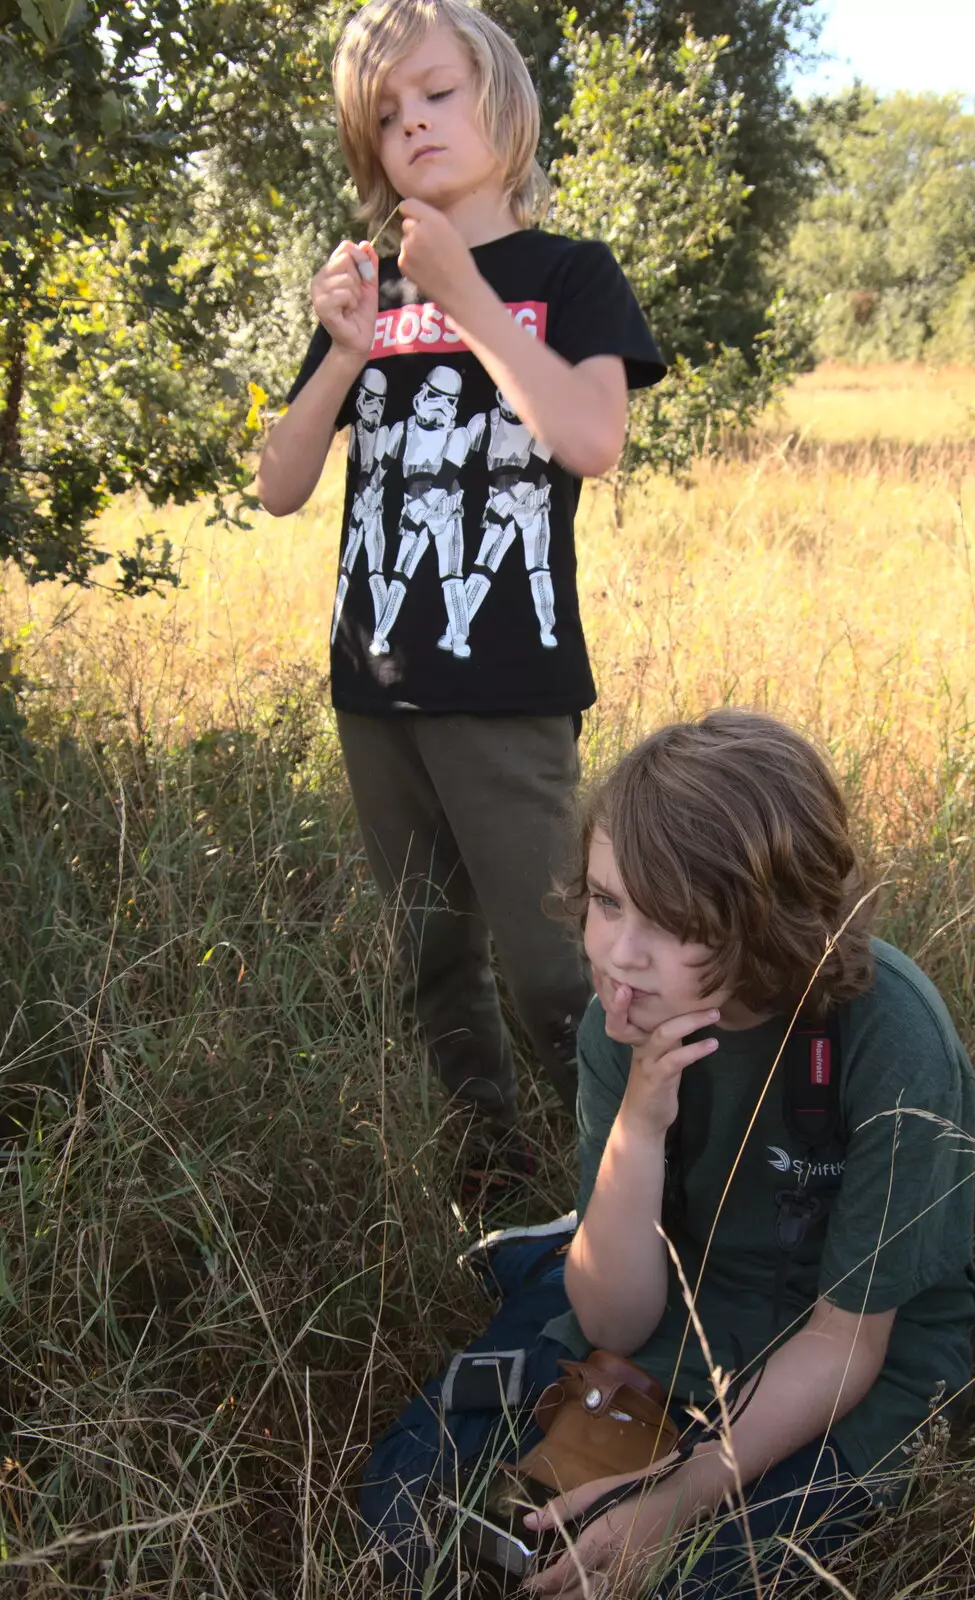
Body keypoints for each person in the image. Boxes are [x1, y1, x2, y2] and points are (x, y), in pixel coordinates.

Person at [359, 709, 975, 1598]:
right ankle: (550, 1256)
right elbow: (614, 1323)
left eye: (671, 921)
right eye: (607, 901)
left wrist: (677, 1498)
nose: (618, 954)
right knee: (404, 1512)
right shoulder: (626, 1013)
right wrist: (641, 1119)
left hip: (832, 1338)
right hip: (669, 1309)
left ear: (768, 920)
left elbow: (847, 1342)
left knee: (677, 1580)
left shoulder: (890, 1039)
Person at [256, 0, 665, 1154]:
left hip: (507, 687)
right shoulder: (368, 291)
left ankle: (632, 1185)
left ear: (502, 103)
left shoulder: (570, 274)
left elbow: (588, 436)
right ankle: (486, 1173)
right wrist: (344, 351)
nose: (415, 126)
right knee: (433, 959)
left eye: (437, 94)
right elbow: (280, 484)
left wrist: (468, 299)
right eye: (389, 115)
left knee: (552, 969)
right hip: (374, 685)